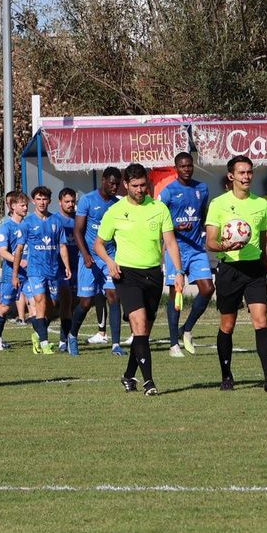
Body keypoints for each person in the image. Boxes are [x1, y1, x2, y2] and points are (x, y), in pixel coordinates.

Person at [93, 164, 184, 394]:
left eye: (144, 185)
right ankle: (149, 382)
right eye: (135, 186)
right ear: (126, 185)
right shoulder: (115, 211)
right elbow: (99, 244)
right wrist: (110, 262)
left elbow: (171, 242)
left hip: (154, 274)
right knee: (140, 324)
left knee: (144, 332)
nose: (140, 189)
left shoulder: (159, 208)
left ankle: (128, 375)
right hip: (127, 274)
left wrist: (179, 271)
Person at [206, 155, 267, 392]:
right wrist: (224, 247)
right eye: (241, 173)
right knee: (228, 325)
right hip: (230, 269)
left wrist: (264, 265)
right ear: (231, 176)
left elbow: (264, 239)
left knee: (261, 320)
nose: (246, 177)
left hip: (255, 270)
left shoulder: (261, 205)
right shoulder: (218, 204)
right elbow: (211, 241)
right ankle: (226, 376)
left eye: (249, 172)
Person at [157, 152, 215, 357]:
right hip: (177, 248)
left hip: (197, 247)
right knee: (177, 293)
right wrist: (176, 226)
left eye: (190, 166)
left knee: (208, 289)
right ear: (176, 168)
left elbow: (204, 213)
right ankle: (174, 344)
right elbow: (157, 221)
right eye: (183, 166)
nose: (187, 169)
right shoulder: (168, 192)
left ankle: (187, 328)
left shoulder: (202, 188)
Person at [68, 168, 123, 358]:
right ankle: (72, 336)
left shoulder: (118, 205)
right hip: (89, 258)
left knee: (113, 296)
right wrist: (85, 255)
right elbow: (77, 231)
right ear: (104, 180)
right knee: (86, 302)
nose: (115, 187)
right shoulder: (88, 200)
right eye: (112, 183)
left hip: (109, 257)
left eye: (118, 184)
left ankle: (116, 344)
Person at [11, 185, 72, 355]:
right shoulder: (27, 223)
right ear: (33, 201)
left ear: (49, 201)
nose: (41, 202)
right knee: (40, 302)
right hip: (35, 270)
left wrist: (66, 266)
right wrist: (15, 274)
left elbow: (62, 246)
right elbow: (19, 250)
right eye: (38, 199)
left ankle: (38, 335)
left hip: (53, 270)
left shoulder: (56, 221)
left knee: (51, 306)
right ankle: (45, 344)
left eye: (44, 199)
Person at [0, 190, 29, 349]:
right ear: (13, 206)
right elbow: (2, 252)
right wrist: (19, 260)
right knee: (5, 307)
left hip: (30, 273)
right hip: (11, 274)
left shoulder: (28, 224)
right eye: (22, 205)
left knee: (38, 302)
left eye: (26, 204)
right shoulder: (6, 226)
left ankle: (42, 341)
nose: (26, 207)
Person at [52, 187, 82, 350]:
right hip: (60, 269)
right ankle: (64, 341)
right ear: (60, 202)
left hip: (78, 267)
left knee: (75, 304)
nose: (70, 204)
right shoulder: (54, 220)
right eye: (67, 202)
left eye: (73, 201)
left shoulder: (79, 219)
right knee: (65, 302)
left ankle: (66, 337)